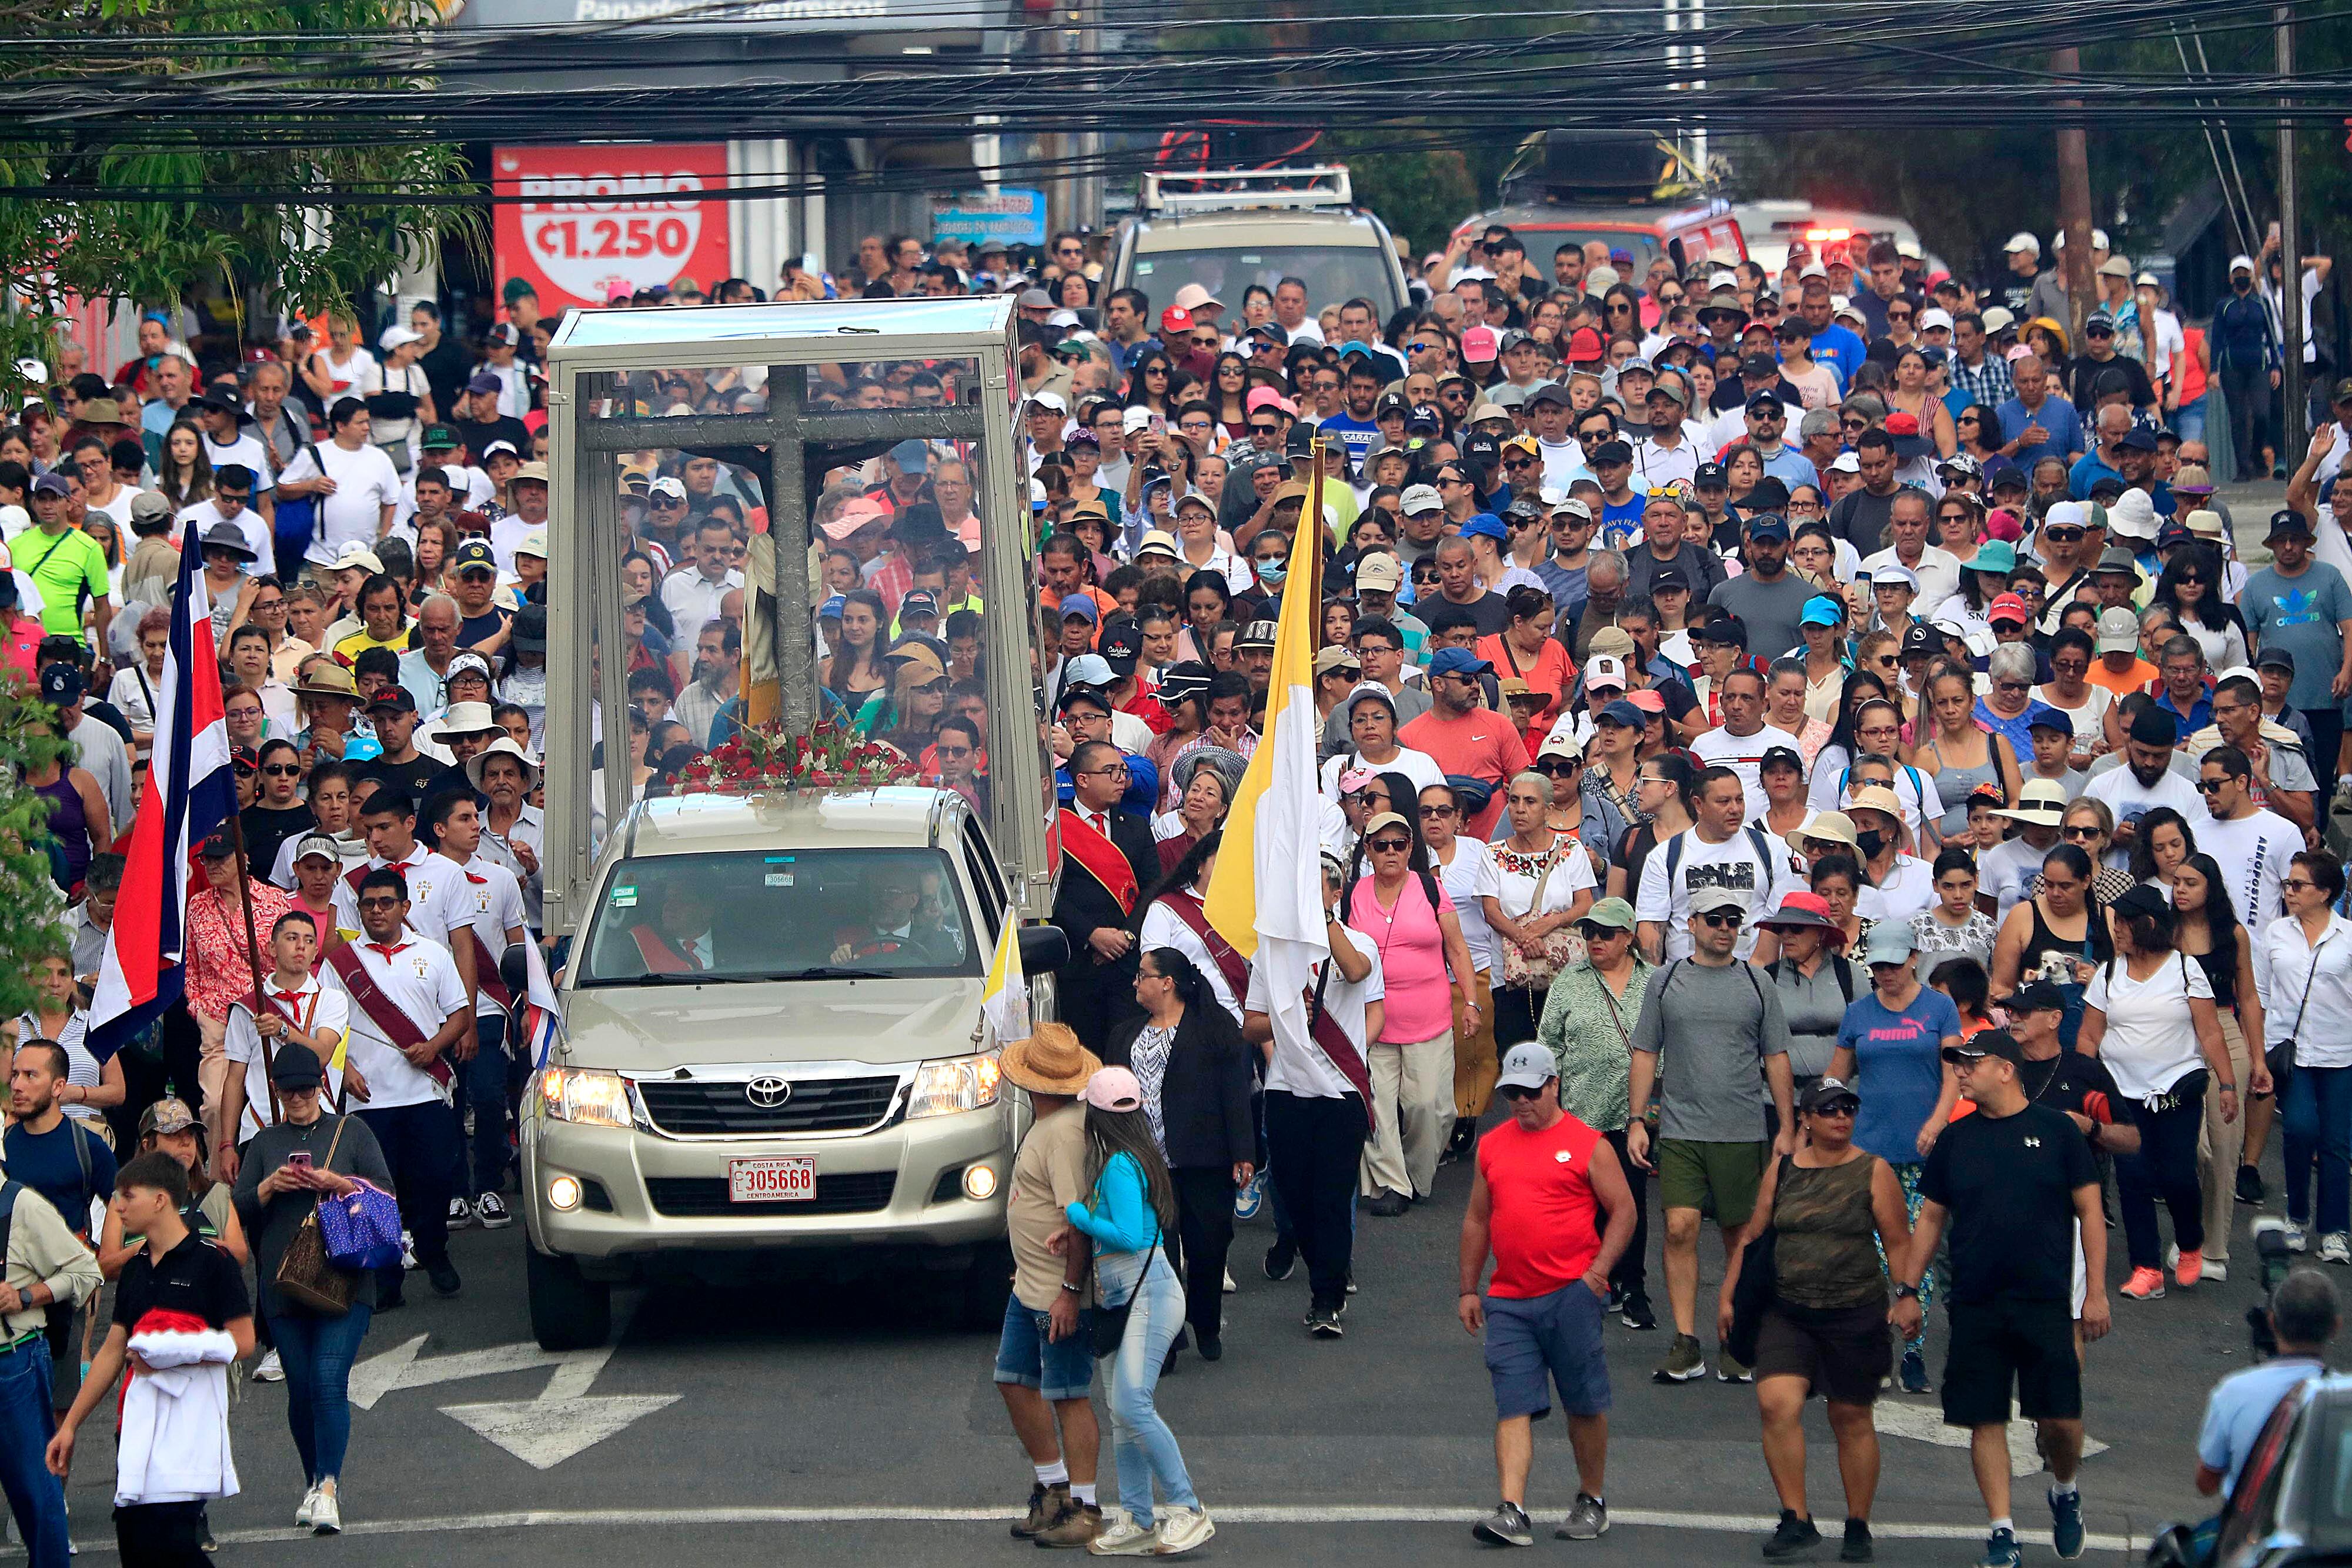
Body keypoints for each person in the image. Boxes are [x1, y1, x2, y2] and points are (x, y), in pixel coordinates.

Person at [1894, 1028, 2109, 1568]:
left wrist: (2097, 1293)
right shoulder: (1955, 1140)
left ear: (2006, 1069)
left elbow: (2090, 1211)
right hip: (1975, 1302)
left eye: (1971, 1062)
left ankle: (2065, 1489)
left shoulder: (2057, 1132)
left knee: (2061, 1421)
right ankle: (2001, 1530)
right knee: (1985, 1416)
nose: (1961, 1071)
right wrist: (1907, 1290)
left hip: (2044, 1301)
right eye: (1958, 1063)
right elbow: (1932, 1217)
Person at [1717, 1076, 1915, 1564]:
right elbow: (1754, 1236)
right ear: (1805, 1118)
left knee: (1850, 1416)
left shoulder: (1874, 1171)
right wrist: (1728, 1294)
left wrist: (1908, 1295)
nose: (1840, 1116)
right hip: (1789, 1311)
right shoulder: (1782, 1170)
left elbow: (1898, 1241)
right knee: (1776, 1404)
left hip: (1855, 1311)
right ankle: (1797, 1518)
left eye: (1847, 1107)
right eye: (1828, 1109)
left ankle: (1857, 1524)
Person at [1459, 1044, 1637, 1549]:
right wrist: (1469, 1288)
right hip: (1509, 1299)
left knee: (1583, 1402)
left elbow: (1623, 1210)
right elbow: (1477, 1218)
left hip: (1570, 1294)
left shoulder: (1588, 1144)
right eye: (1512, 1093)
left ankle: (1592, 1498)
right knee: (1512, 1403)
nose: (1521, 1101)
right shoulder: (1492, 1146)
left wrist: (1598, 1273)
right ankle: (1512, 1508)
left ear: (1554, 1085)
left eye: (1530, 1091)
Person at [48, 1152, 255, 1566]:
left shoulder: (214, 1262)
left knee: (174, 1544)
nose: (118, 1206)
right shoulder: (137, 1269)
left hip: (188, 1431)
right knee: (135, 1543)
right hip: (135, 1427)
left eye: (127, 1196)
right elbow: (113, 1349)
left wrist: (172, 1354)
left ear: (161, 1200)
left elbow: (244, 1340)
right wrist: (69, 1426)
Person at [1626, 885, 1798, 1384]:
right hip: (1681, 1128)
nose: (1726, 928)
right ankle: (1686, 1341)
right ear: (1693, 924)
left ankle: (1737, 1337)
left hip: (1742, 1130)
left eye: (1733, 920)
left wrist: (1787, 1127)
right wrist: (1638, 1119)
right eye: (1716, 919)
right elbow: (1644, 1051)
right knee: (1679, 1227)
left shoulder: (1756, 981)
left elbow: (1776, 1057)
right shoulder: (1666, 979)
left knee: (1740, 1237)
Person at [228, 1048, 391, 1537]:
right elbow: (236, 1210)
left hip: (345, 1279)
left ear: (322, 1084)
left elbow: (385, 1195)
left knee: (326, 1380)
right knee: (300, 1390)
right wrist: (268, 1187)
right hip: (283, 1284)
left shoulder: (353, 1132)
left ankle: (328, 1487)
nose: (299, 1098)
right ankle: (311, 1480)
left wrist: (336, 1181)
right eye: (289, 1090)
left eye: (307, 1088)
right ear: (276, 1090)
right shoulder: (263, 1142)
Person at [1057, 1066, 1215, 1557]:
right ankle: (1139, 1518)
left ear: (1098, 1115)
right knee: (1124, 1412)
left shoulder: (1119, 1166)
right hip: (1134, 1295)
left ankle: (1188, 1509)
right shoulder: (1134, 1157)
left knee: (1130, 1405)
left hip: (1145, 1294)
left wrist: (1077, 1214)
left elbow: (1126, 1234)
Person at [1245, 853, 1383, 1340]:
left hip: (1341, 1091)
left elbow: (1356, 969)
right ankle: (1320, 1261)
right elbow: (1251, 1024)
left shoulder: (1358, 940)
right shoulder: (1271, 952)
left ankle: (1326, 1296)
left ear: (1335, 893)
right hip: (1287, 1087)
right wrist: (1286, 1018)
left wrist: (1324, 919)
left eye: (1321, 888)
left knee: (1330, 1194)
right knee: (1295, 1192)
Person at [322, 865, 470, 1307]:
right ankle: (385, 1276)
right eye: (369, 904)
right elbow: (327, 1024)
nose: (377, 910)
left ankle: (433, 1249)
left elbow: (459, 1015)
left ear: (405, 907)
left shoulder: (434, 952)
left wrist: (434, 1047)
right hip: (371, 1099)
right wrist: (344, 1068)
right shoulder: (341, 963)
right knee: (375, 1191)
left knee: (435, 1178)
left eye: (387, 902)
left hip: (426, 1091)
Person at [1102, 950, 1255, 1365]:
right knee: (1158, 1257)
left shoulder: (1212, 1028)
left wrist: (1244, 1151)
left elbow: (1234, 1093)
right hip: (1148, 1167)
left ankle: (1206, 1321)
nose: (1136, 983)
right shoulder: (1125, 1035)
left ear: (1167, 982)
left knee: (1207, 1248)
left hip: (1204, 1161)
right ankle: (1165, 1341)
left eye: (1143, 976)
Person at [1829, 921, 1962, 1394]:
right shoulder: (1859, 1012)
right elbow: (1837, 1080)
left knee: (1914, 1251)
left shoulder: (1940, 1008)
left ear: (1912, 958)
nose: (1885, 972)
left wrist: (1939, 1119)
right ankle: (1868, 1345)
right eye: (1878, 964)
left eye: (1893, 962)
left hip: (1922, 1148)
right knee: (1871, 1253)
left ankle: (1912, 1349)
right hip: (1869, 1150)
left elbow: (1954, 1073)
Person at [994, 1024, 1106, 1549]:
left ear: (1031, 1082)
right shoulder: (1053, 1124)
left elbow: (1077, 1218)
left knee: (1069, 1395)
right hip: (1031, 1285)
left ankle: (1084, 1505)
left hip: (1056, 1291)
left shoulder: (1062, 1133)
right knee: (1014, 1379)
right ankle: (1054, 1487)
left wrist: (1069, 1290)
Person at [1348, 809, 1477, 1217]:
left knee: (1432, 1107)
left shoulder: (1430, 887)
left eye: (1400, 844)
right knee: (1376, 1106)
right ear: (1367, 850)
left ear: (1411, 848)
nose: (1391, 852)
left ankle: (1416, 1178)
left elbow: (1457, 948)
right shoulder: (1353, 893)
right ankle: (1392, 1183)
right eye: (1381, 844)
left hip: (1429, 1017)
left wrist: (1471, 1001)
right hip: (1372, 1020)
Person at [1538, 897, 1658, 1330]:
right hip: (1581, 1114)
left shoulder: (1654, 982)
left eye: (1605, 933)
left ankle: (1634, 1286)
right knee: (1585, 1206)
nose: (1594, 940)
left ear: (1628, 937)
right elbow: (1548, 1043)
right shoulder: (1569, 981)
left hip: (1636, 1116)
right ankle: (1592, 1280)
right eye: (1589, 932)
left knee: (1632, 1201)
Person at [2170, 854, 2266, 1284]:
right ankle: (2188, 1232)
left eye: (2191, 882)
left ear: (2211, 886)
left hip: (2225, 1027)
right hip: (2176, 1030)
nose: (2181, 889)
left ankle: (2214, 1248)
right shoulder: (2164, 930)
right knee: (2193, 1146)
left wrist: (2259, 1057)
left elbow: (2248, 998)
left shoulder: (2234, 934)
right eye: (2177, 882)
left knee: (2226, 1146)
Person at [0, 1159, 99, 1567]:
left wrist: (25, 1296)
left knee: (35, 1489)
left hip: (14, 1361)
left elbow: (86, 1269)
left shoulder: (21, 1205)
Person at [2263, 850, 2352, 1261]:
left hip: (2342, 1053)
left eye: (2299, 885)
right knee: (2298, 1132)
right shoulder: (2276, 933)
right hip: (2291, 1052)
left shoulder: (2348, 936)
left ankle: (2335, 1229)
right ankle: (2297, 1216)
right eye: (2287, 883)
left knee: (2336, 1144)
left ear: (2326, 892)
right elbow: (2263, 993)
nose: (2290, 891)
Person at [1051, 740, 1159, 1054]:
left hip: (1126, 966)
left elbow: (1152, 890)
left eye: (1123, 771)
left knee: (1124, 1054)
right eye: (1110, 771)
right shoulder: (1055, 826)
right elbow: (1049, 892)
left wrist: (1125, 936)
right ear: (1082, 780)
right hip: (1076, 962)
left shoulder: (1137, 827)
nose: (1121, 779)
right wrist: (1092, 935)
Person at [2195, 1269, 2337, 1502]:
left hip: (2248, 1526)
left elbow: (2207, 1482)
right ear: (2336, 1326)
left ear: (2271, 1321)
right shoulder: (2344, 1395)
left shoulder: (2234, 1392)